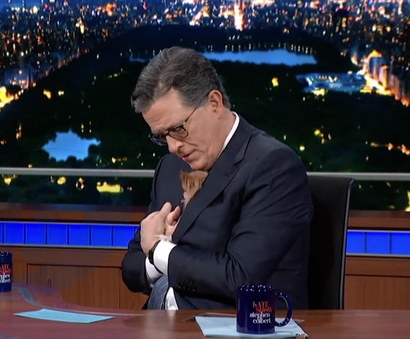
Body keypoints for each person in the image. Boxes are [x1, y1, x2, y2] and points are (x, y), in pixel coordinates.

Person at [121, 47, 313, 310]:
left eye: (178, 129)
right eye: (162, 136)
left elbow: (240, 278)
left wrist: (159, 250)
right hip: (162, 326)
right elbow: (131, 268)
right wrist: (157, 257)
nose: (173, 147)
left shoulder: (272, 166)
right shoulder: (170, 167)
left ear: (214, 103)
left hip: (240, 329)